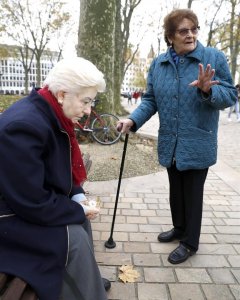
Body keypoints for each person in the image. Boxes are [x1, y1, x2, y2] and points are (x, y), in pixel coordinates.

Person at [118, 9, 237, 265]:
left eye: (194, 29)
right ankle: (179, 228)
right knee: (176, 190)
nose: (191, 35)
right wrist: (133, 119)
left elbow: (230, 95)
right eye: (184, 31)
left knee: (193, 193)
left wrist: (208, 91)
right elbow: (150, 99)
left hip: (198, 139)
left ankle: (190, 243)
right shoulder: (159, 64)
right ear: (170, 36)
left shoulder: (212, 57)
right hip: (171, 140)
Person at [0, 57, 110, 300]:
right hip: (9, 217)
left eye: (92, 101)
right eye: (86, 101)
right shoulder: (23, 126)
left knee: (81, 220)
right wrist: (76, 209)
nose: (88, 110)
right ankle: (88, 289)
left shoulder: (49, 113)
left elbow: (53, 171)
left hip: (21, 203)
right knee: (74, 237)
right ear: (62, 94)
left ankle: (85, 277)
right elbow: (31, 203)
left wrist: (76, 195)